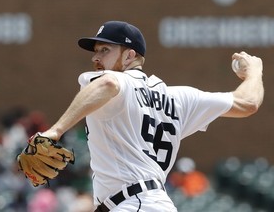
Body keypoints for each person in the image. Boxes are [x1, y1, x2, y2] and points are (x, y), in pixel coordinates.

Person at [41, 20, 264, 211]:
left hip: (133, 203)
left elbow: (108, 83)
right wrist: (254, 72)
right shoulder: (179, 98)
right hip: (152, 202)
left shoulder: (116, 82)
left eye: (105, 50)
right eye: (96, 51)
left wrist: (55, 131)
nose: (96, 58)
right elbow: (247, 103)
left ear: (130, 55)